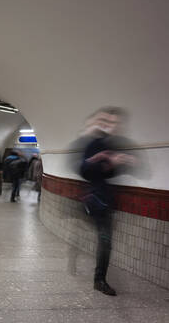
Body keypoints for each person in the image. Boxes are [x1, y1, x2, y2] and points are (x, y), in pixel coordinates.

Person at [79, 107, 137, 296]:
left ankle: (99, 278)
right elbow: (84, 170)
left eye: (117, 123)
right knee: (105, 242)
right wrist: (98, 158)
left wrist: (117, 162)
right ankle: (99, 280)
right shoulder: (95, 144)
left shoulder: (113, 145)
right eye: (110, 122)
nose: (113, 126)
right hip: (96, 202)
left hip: (104, 202)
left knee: (105, 242)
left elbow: (108, 172)